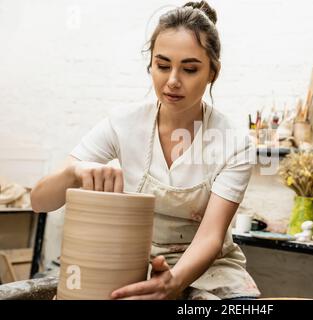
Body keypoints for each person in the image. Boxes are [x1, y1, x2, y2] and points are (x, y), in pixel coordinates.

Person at [31, 1, 261, 300]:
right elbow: (40, 201)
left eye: (189, 69)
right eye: (162, 66)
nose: (173, 81)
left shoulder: (234, 142)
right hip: (132, 259)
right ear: (150, 64)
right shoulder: (123, 123)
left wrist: (172, 284)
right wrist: (74, 173)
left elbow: (211, 237)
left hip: (210, 266)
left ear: (212, 73)